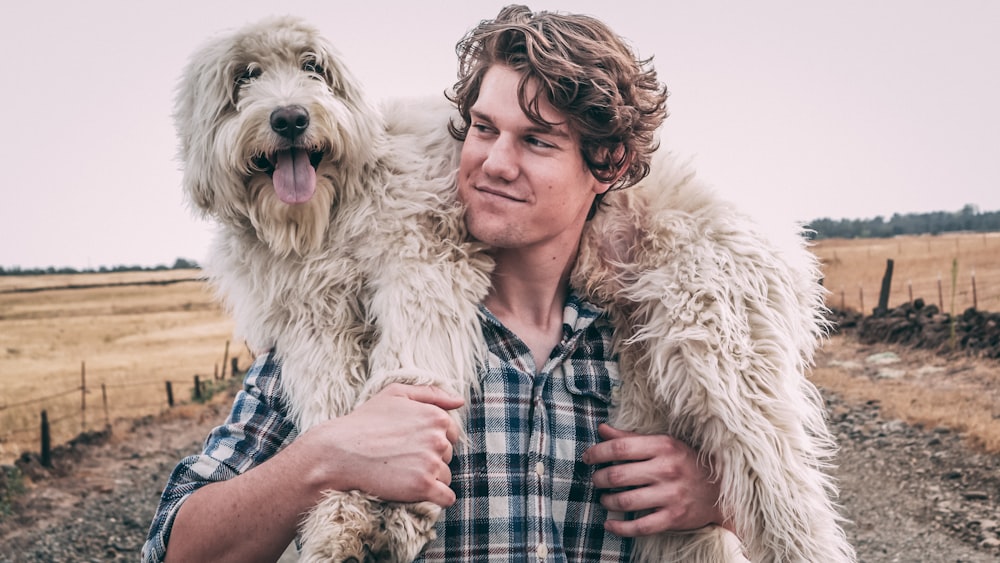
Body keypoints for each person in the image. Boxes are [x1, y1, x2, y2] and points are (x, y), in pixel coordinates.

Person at [143, 5, 730, 562]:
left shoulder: (663, 342)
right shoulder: (343, 325)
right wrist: (322, 459)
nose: (495, 162)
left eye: (536, 140)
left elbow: (788, 505)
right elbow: (173, 548)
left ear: (611, 165)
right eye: (482, 128)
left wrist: (725, 499)